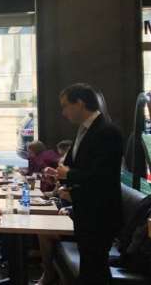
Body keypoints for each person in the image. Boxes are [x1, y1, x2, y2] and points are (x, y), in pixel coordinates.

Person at [45, 83, 123, 285]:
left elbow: (103, 176)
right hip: (85, 209)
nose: (63, 112)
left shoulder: (107, 131)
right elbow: (78, 167)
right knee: (91, 268)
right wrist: (60, 175)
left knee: (94, 269)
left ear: (79, 103)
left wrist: (69, 174)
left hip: (100, 212)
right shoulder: (84, 130)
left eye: (65, 106)